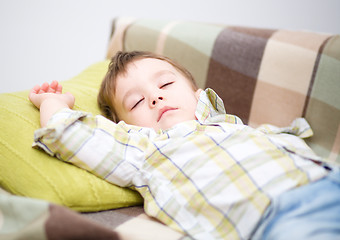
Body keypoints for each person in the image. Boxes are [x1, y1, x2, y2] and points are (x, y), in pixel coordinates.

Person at [29, 51, 340, 240]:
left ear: (197, 93)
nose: (155, 96)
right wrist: (54, 101)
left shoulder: (230, 124)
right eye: (136, 101)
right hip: (279, 215)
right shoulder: (144, 149)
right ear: (124, 126)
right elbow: (70, 134)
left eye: (165, 84)